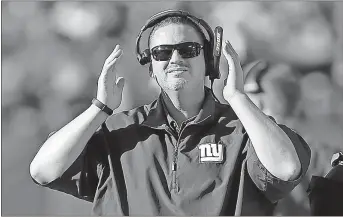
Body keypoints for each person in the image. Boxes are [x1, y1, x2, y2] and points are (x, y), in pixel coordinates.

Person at [30, 10, 311, 216]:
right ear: (150, 66)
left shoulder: (242, 130)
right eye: (162, 53)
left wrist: (236, 97)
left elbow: (287, 169)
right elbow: (43, 170)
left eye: (188, 49)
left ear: (209, 61)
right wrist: (99, 108)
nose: (175, 59)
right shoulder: (118, 130)